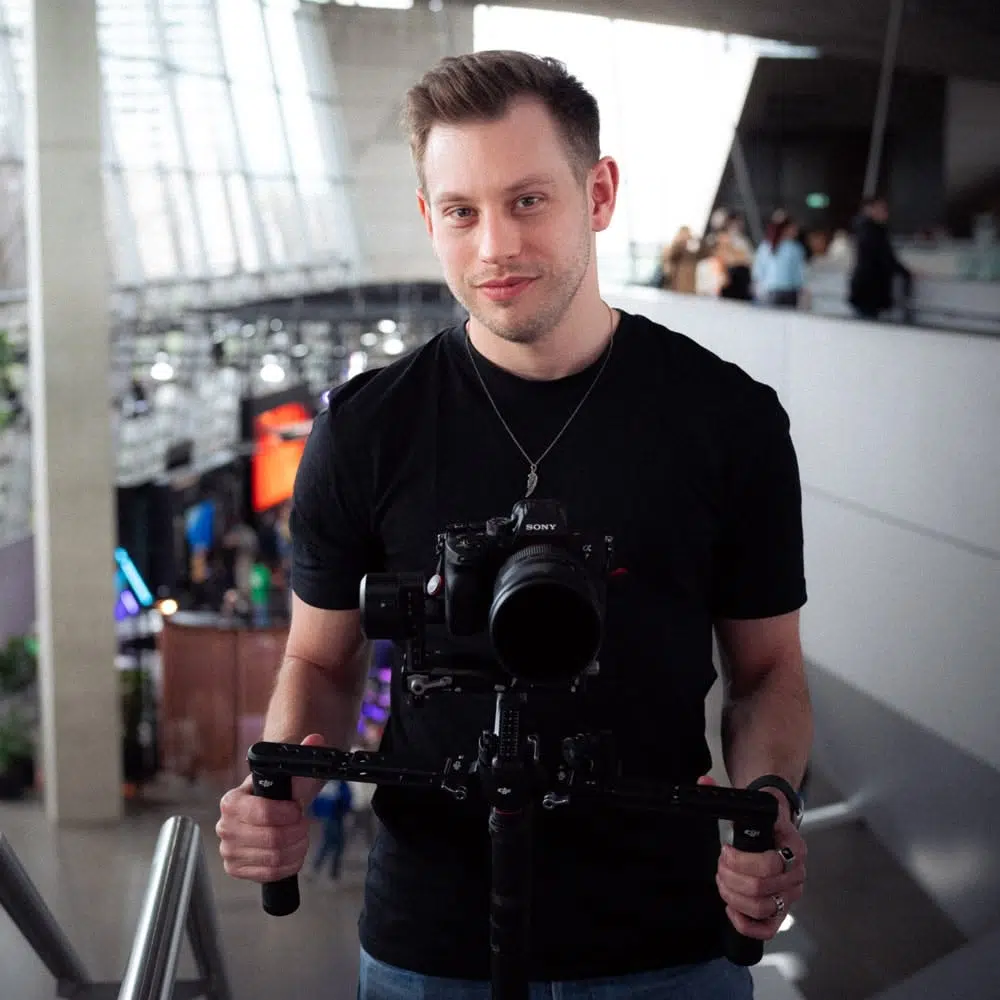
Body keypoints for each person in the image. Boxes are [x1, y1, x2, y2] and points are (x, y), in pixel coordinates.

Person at [216, 50, 812, 1000]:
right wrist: (282, 789)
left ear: (599, 193)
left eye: (528, 200)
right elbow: (320, 663)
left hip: (667, 937)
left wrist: (769, 802)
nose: (494, 246)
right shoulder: (365, 430)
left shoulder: (727, 421)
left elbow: (769, 670)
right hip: (429, 941)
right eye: (461, 211)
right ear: (429, 219)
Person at [848, 196, 912, 320]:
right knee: (869, 321)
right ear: (870, 210)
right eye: (881, 209)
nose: (885, 213)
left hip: (866, 287)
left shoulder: (865, 230)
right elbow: (884, 257)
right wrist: (905, 272)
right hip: (871, 288)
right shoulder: (873, 232)